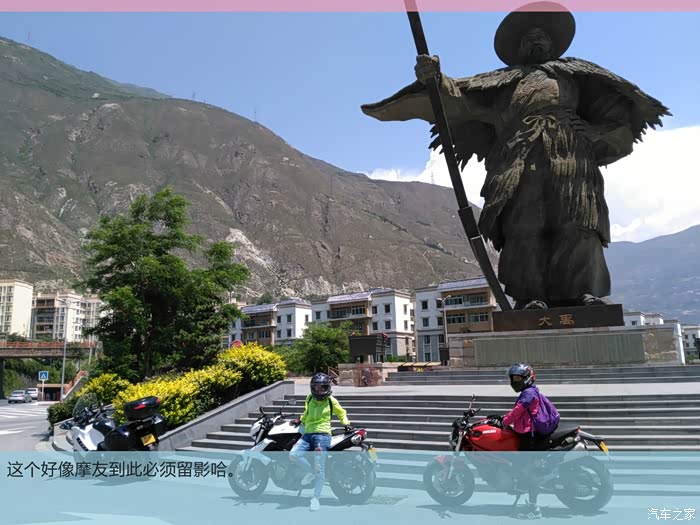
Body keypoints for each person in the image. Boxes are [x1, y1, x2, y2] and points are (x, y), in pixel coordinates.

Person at [500, 363, 560, 519]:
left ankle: (534, 508)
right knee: (523, 468)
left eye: (517, 378)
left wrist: (504, 421)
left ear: (526, 378)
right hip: (528, 433)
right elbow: (519, 412)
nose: (514, 381)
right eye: (513, 378)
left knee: (526, 470)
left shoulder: (528, 393)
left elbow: (517, 412)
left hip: (530, 436)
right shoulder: (529, 391)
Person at [290, 372, 352, 511]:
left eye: (322, 387)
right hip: (307, 434)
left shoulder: (331, 401)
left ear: (327, 387)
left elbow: (341, 413)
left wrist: (346, 423)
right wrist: (300, 420)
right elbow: (307, 412)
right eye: (316, 387)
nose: (319, 390)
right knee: (293, 454)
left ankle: (315, 498)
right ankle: (310, 472)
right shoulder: (309, 398)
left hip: (322, 435)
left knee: (319, 467)